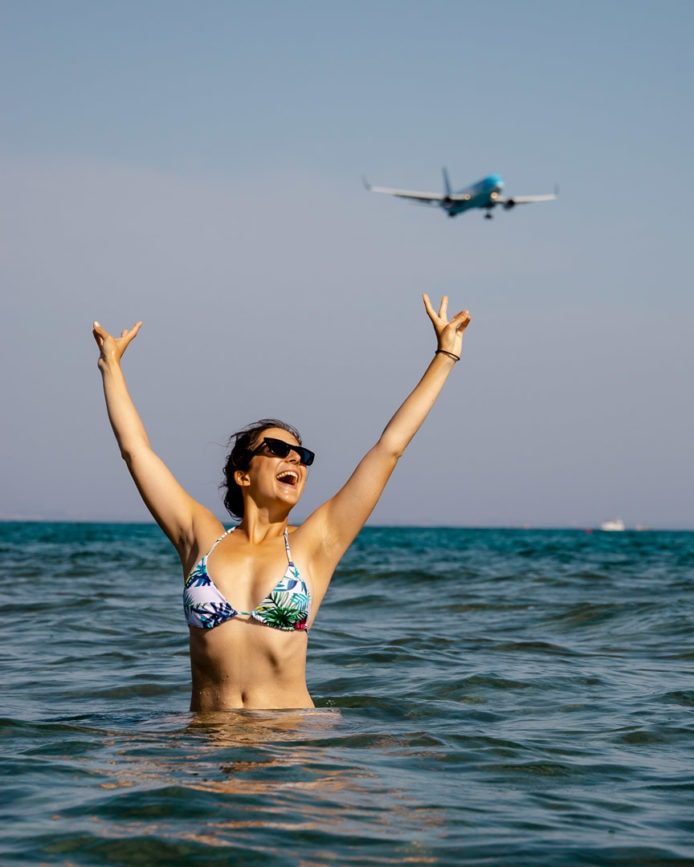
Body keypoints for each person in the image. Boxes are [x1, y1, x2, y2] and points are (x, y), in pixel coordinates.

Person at [93, 295, 471, 711]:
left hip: (291, 745)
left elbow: (389, 449)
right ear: (243, 475)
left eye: (302, 456)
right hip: (206, 741)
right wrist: (111, 367)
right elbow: (136, 452)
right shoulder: (201, 538)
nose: (295, 458)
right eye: (277, 449)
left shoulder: (315, 542)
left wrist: (445, 355)